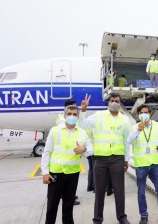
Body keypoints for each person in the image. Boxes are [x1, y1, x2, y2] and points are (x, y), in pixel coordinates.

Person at [78, 93, 131, 224]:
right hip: (100, 159)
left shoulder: (124, 120)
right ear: (108, 102)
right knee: (99, 191)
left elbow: (126, 141)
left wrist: (126, 159)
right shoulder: (98, 116)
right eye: (112, 100)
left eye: (117, 101)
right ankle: (97, 219)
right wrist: (83, 111)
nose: (114, 102)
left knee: (119, 190)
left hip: (117, 159)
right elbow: (82, 125)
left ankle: (122, 217)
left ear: (120, 104)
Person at [41, 104, 94, 224]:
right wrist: (45, 173)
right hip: (56, 174)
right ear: (64, 116)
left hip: (72, 174)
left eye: (75, 114)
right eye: (69, 114)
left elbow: (91, 149)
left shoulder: (82, 132)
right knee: (52, 206)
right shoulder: (55, 130)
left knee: (68, 206)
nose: (72, 116)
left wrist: (83, 149)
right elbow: (47, 152)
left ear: (78, 117)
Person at [127, 105, 158, 224]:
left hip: (154, 163)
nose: (144, 114)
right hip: (141, 164)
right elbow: (129, 141)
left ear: (150, 113)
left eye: (146, 112)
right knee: (141, 193)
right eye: (142, 113)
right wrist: (138, 130)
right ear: (138, 115)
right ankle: (144, 216)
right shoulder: (133, 128)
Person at [55, 99, 82, 206]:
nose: (73, 112)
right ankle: (68, 197)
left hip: (73, 156)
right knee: (66, 182)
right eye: (72, 107)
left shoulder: (64, 117)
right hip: (65, 157)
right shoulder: (62, 119)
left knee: (71, 182)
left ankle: (71, 195)